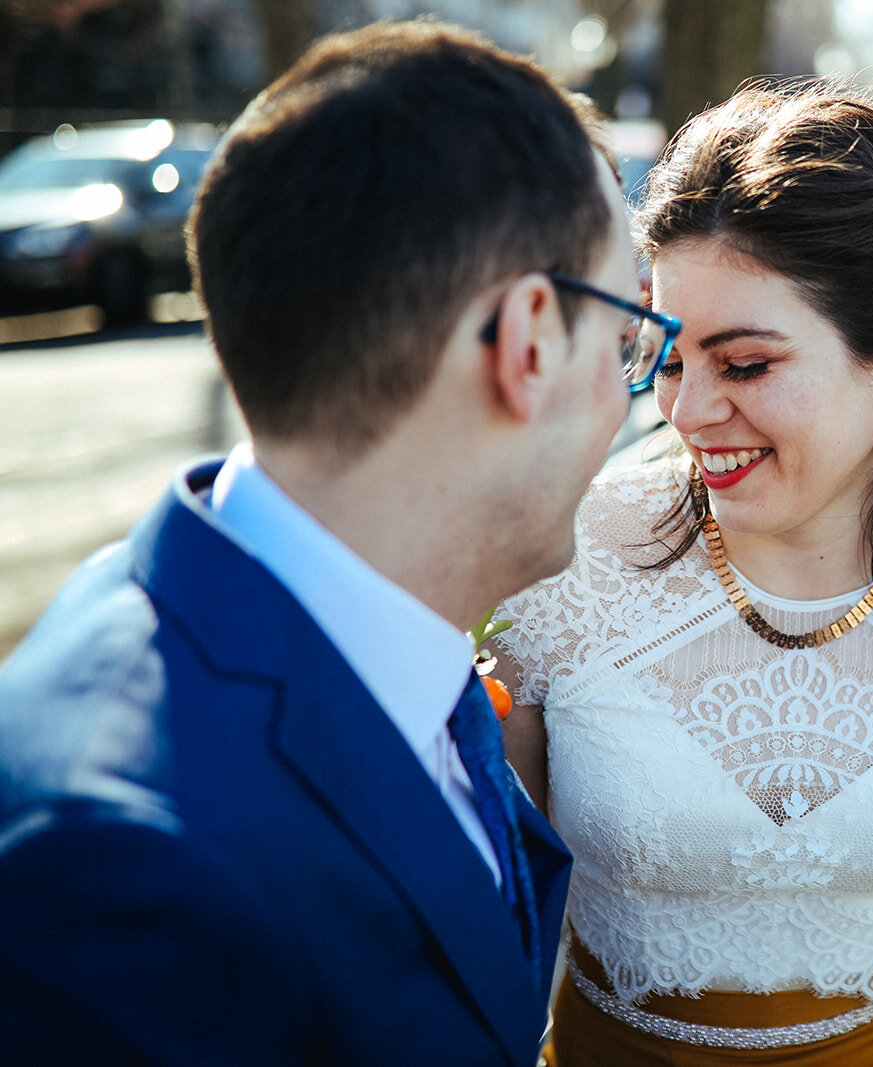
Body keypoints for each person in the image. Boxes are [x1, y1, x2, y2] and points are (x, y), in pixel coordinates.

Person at [0, 21, 646, 1064]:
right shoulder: (125, 866)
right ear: (526, 340)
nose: (635, 395)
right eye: (627, 336)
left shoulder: (363, 618)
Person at [492, 86, 873, 1066]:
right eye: (666, 353)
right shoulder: (565, 556)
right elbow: (490, 920)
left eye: (743, 364)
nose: (687, 411)